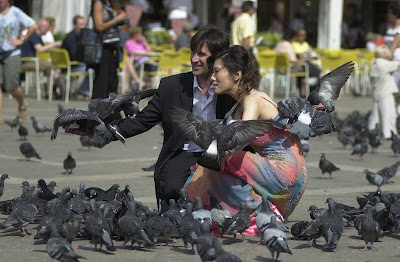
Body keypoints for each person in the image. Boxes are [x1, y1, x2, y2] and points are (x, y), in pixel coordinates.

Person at [92, 25, 232, 211]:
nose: (194, 59)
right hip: (184, 153)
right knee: (172, 188)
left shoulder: (229, 88)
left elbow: (248, 120)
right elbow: (143, 120)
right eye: (192, 52)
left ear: (217, 58)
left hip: (220, 156)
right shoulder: (172, 86)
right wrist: (104, 132)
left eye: (201, 54)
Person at [184, 45, 307, 228]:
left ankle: (259, 213)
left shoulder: (253, 99)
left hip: (284, 171)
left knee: (219, 160)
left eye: (217, 71)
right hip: (276, 171)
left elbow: (239, 138)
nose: (212, 77)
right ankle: (231, 214)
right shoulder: (240, 102)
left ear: (236, 75)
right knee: (214, 165)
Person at [0, 0, 37, 123]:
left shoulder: (15, 12)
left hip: (11, 53)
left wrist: (23, 40)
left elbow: (33, 25)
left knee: (10, 86)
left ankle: (22, 103)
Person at [91, 0, 127, 98]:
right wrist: (116, 20)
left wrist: (120, 19)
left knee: (112, 80)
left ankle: (111, 109)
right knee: (103, 80)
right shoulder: (98, 3)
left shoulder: (109, 3)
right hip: (103, 47)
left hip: (112, 46)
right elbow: (99, 26)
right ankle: (99, 109)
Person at [20, 18, 62, 98]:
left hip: (28, 61)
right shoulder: (33, 35)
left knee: (49, 69)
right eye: (47, 28)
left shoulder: (37, 36)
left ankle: (49, 93)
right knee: (51, 66)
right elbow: (40, 49)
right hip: (25, 62)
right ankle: (57, 91)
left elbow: (44, 48)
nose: (48, 30)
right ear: (41, 27)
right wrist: (55, 44)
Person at [368, 45, 399, 139]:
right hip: (386, 93)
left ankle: (371, 131)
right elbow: (397, 64)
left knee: (375, 116)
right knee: (388, 114)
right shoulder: (384, 64)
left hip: (376, 93)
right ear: (385, 55)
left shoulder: (373, 65)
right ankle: (388, 133)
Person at [275, 28, 311, 97]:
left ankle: (303, 91)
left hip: (279, 68)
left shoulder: (279, 44)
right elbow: (294, 61)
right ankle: (307, 90)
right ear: (292, 38)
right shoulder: (288, 45)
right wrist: (305, 59)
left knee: (305, 68)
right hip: (288, 69)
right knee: (307, 68)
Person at [61, 15, 91, 97]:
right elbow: (74, 56)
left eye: (84, 24)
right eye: (81, 24)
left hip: (75, 65)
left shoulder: (83, 37)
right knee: (92, 70)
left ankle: (81, 91)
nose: (83, 26)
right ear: (75, 26)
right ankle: (82, 91)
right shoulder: (70, 38)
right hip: (70, 67)